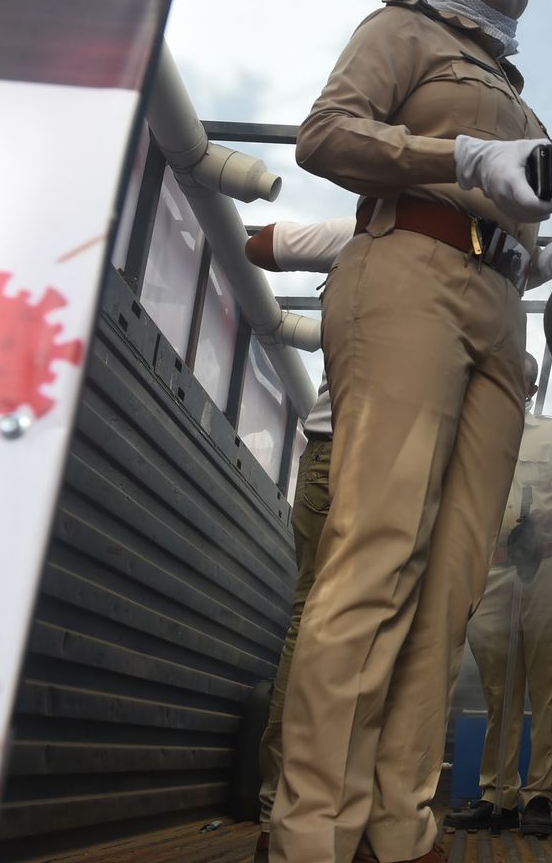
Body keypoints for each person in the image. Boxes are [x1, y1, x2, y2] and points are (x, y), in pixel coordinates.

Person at [270, 0, 552, 863]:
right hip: (409, 268)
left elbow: (514, 207)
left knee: (451, 587)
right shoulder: (402, 30)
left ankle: (400, 827)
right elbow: (324, 136)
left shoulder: (520, 100)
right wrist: (455, 158)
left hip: (500, 307)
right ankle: (313, 831)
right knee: (379, 551)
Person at [241, 216, 356, 863]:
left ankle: (280, 816)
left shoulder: (358, 228)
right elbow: (255, 242)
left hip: (336, 451)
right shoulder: (469, 242)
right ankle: (308, 817)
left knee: (312, 624)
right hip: (366, 455)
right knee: (355, 629)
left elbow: (258, 242)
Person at [445, 353, 552, 839]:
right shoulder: (471, 437)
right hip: (492, 571)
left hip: (548, 563)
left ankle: (539, 799)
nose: (514, 385)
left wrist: (545, 522)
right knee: (498, 689)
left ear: (530, 389)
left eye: (523, 380)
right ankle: (497, 796)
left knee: (547, 685)